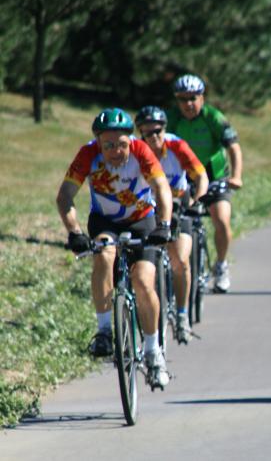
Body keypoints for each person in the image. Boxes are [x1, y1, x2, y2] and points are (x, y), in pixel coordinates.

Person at [56, 108, 173, 388]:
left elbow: (162, 188)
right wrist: (74, 232)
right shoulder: (88, 155)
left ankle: (153, 352)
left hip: (142, 219)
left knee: (144, 281)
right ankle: (105, 330)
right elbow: (65, 196)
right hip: (105, 221)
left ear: (130, 140)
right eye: (108, 145)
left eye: (122, 144)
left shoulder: (142, 152)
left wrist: (164, 224)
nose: (116, 151)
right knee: (104, 255)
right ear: (98, 142)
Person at [135, 105, 209, 343]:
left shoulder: (177, 146)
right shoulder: (136, 152)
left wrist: (198, 198)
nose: (153, 137)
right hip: (150, 208)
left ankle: (182, 315)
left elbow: (200, 175)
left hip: (178, 203)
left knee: (180, 260)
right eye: (147, 133)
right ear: (140, 134)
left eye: (157, 131)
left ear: (164, 129)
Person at [167, 73, 243, 293]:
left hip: (215, 177)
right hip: (184, 178)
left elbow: (233, 147)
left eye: (193, 98)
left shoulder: (213, 117)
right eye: (183, 99)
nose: (188, 103)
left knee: (221, 220)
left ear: (202, 97)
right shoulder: (172, 118)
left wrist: (236, 176)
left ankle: (221, 264)